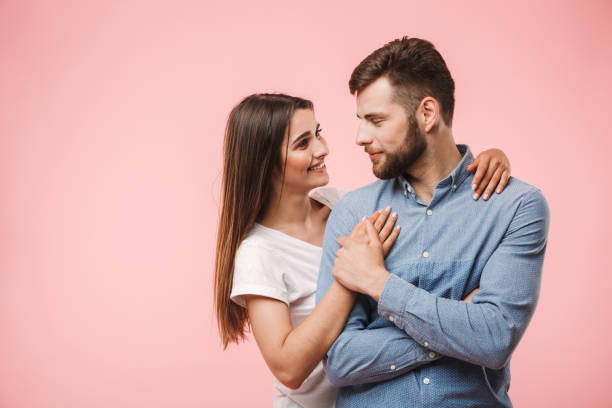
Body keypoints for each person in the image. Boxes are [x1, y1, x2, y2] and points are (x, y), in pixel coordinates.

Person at [214, 93, 512, 407]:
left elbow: (426, 197)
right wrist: (352, 276)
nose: (323, 148)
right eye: (303, 144)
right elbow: (288, 367)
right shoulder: (258, 252)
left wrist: (487, 160)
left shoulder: (343, 206)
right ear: (265, 163)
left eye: (317, 133)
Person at [315, 37, 550, 407]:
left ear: (427, 114)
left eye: (376, 120)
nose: (360, 137)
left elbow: (495, 340)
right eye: (361, 121)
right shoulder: (352, 214)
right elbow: (339, 361)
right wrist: (459, 331)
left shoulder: (515, 206)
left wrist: (380, 284)